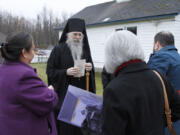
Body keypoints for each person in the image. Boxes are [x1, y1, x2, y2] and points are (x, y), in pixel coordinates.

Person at [102, 30, 180, 135]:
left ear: (111, 55)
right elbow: (177, 109)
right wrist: (158, 124)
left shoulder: (113, 90)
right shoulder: (158, 77)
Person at [0, 32, 58, 135]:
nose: (34, 53)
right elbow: (48, 101)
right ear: (24, 53)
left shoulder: (3, 69)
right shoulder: (23, 76)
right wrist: (50, 92)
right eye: (32, 49)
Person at [46, 18, 96, 135]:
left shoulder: (85, 51)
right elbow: (50, 71)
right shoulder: (58, 50)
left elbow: (90, 73)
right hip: (63, 98)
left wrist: (90, 68)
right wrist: (65, 72)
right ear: (68, 35)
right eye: (75, 34)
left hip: (80, 98)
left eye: (80, 34)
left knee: (79, 130)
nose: (78, 37)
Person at [148, 31, 180, 135]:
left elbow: (150, 85)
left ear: (157, 44)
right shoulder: (178, 58)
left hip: (167, 118)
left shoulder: (160, 57)